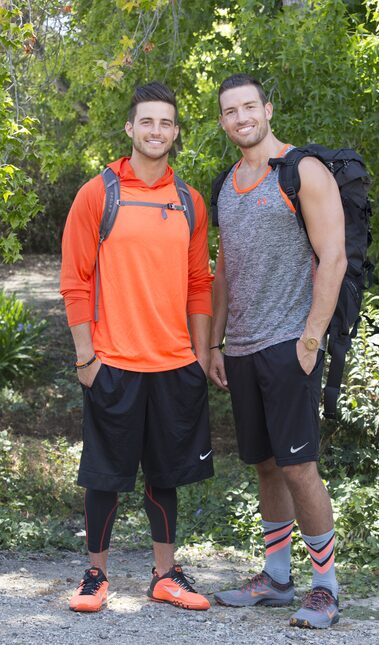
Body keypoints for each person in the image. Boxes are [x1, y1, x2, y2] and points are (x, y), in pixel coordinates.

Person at [60, 81, 213, 613]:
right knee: (105, 476)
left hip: (174, 363)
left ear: (175, 132)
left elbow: (199, 284)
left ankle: (165, 576)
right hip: (113, 361)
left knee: (165, 476)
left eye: (166, 123)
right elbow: (75, 281)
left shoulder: (189, 201)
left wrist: (198, 355)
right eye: (146, 121)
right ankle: (94, 576)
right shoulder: (97, 194)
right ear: (130, 128)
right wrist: (86, 357)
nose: (156, 131)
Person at [209, 74, 347, 629]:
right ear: (222, 122)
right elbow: (224, 272)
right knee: (265, 465)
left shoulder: (301, 170)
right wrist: (215, 341)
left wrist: (311, 338)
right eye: (229, 111)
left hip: (290, 344)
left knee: (299, 468)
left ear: (267, 108)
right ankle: (276, 578)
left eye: (249, 107)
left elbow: (332, 258)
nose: (241, 118)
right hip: (241, 348)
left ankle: (326, 587)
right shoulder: (226, 182)